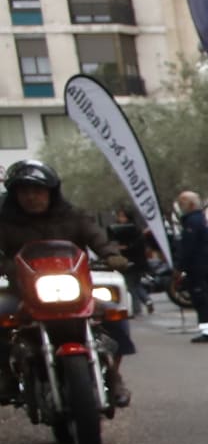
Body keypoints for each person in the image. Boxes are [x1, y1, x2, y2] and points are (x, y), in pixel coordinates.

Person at [0, 158, 133, 403]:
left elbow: (95, 236)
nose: (31, 197)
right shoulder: (5, 222)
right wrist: (7, 266)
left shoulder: (73, 216)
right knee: (1, 316)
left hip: (75, 291)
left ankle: (114, 375)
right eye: (25, 191)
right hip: (23, 293)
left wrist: (111, 255)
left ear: (50, 192)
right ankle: (6, 376)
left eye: (38, 191)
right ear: (16, 195)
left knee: (115, 313)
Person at [174, 188, 208, 344]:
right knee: (205, 299)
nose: (180, 206)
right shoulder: (197, 219)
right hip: (202, 265)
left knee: (202, 300)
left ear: (190, 204)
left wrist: (180, 266)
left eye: (182, 203)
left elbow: (189, 247)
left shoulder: (193, 222)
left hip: (198, 267)